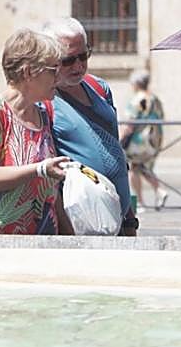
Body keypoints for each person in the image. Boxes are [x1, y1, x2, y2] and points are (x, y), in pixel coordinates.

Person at [0, 29, 72, 235]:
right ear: (28, 72)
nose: (59, 77)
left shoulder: (43, 114)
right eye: (53, 70)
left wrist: (70, 237)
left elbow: (49, 190)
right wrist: (39, 169)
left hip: (40, 244)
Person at [41, 17, 138, 236]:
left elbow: (115, 152)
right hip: (83, 222)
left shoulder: (100, 87)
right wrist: (69, 233)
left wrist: (130, 219)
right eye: (68, 60)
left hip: (119, 218)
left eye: (83, 56)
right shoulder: (44, 101)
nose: (78, 65)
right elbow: (49, 177)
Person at [121, 69, 168, 213]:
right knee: (141, 167)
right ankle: (159, 190)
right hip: (154, 138)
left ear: (135, 83)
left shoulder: (138, 99)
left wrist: (121, 138)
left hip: (139, 140)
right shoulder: (154, 98)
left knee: (135, 167)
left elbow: (130, 122)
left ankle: (141, 201)